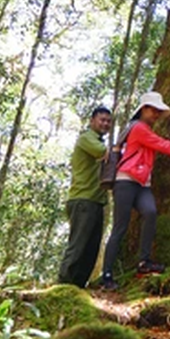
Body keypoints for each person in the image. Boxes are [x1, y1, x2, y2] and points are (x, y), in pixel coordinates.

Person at [96, 91, 170, 291]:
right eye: (153, 110)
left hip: (142, 183)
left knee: (150, 212)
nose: (156, 114)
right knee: (120, 227)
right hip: (125, 180)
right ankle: (106, 275)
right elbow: (164, 146)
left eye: (159, 111)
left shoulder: (143, 128)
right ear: (144, 110)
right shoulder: (139, 128)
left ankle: (144, 262)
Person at [56, 106, 113, 287]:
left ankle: (78, 286)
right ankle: (63, 285)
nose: (105, 124)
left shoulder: (97, 140)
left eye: (108, 121)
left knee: (91, 247)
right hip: (83, 199)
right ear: (92, 121)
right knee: (78, 245)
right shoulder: (87, 138)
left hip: (95, 201)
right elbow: (106, 154)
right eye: (102, 120)